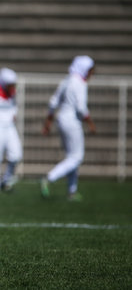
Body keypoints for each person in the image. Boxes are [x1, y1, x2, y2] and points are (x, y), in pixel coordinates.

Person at [41, 56, 96, 201]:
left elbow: (53, 102)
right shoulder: (79, 83)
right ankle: (49, 177)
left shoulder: (67, 80)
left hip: (61, 120)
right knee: (76, 158)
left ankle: (72, 190)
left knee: (71, 157)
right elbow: (81, 108)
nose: (92, 74)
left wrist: (48, 121)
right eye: (91, 70)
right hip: (72, 122)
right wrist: (90, 123)